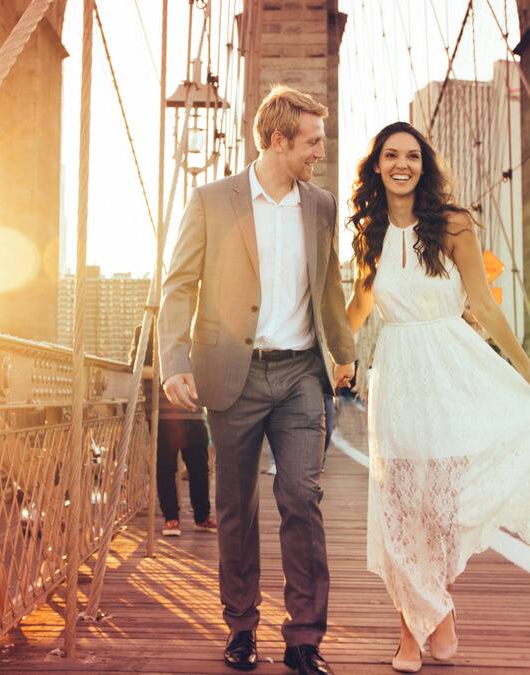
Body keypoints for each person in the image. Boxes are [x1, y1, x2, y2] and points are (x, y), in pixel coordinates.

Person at [343, 122, 530, 672]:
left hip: (452, 371)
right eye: (391, 155)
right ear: (376, 164)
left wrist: (529, 373)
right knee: (398, 510)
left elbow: (487, 308)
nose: (403, 164)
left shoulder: (452, 224)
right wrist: (329, 352)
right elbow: (357, 309)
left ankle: (435, 616)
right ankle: (412, 635)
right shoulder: (370, 233)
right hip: (396, 378)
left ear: (424, 166)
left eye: (413, 156)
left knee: (437, 511)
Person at [158, 85, 355, 675]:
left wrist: (343, 353)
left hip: (299, 374)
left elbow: (330, 286)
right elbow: (178, 286)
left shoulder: (320, 205)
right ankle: (241, 628)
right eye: (312, 141)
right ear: (278, 140)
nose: (320, 151)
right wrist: (174, 361)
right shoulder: (212, 200)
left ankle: (303, 639)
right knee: (236, 507)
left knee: (302, 497)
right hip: (232, 374)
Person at [129, 324, 216, 537]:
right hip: (161, 413)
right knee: (165, 468)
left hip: (192, 411)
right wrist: (170, 373)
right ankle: (171, 519)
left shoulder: (195, 326)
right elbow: (137, 368)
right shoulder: (146, 329)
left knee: (199, 467)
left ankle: (202, 517)